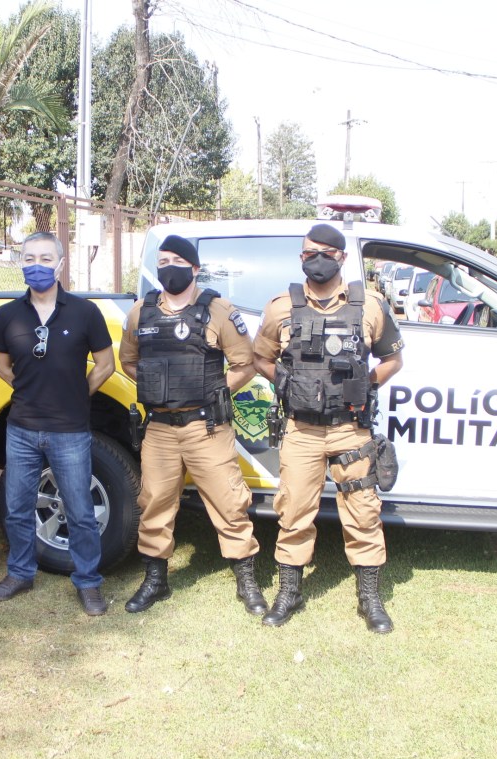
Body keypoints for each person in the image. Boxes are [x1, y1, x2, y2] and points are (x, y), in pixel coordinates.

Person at [253, 223, 405, 632]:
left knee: (362, 513)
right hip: (301, 431)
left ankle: (370, 600)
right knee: (294, 511)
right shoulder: (281, 307)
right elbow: (260, 357)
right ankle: (289, 594)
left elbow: (393, 360)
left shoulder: (369, 306)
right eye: (307, 252)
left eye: (324, 252)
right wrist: (285, 382)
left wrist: (365, 383)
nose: (315, 259)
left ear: (341, 257)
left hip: (350, 430)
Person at [117, 235, 266, 615]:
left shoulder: (217, 310)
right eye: (162, 260)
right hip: (161, 429)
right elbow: (128, 361)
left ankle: (247, 580)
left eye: (177, 261)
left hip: (207, 429)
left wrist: (216, 391)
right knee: (154, 504)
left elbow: (245, 363)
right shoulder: (141, 312)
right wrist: (155, 386)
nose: (169, 267)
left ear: (194, 268)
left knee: (229, 503)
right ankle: (155, 580)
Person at [0, 231, 115, 616]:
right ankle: (20, 573)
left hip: (70, 431)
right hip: (22, 429)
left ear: (60, 263)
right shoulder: (7, 315)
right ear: (20, 262)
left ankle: (89, 582)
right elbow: (2, 367)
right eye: (29, 258)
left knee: (79, 510)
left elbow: (106, 365)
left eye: (45, 258)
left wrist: (77, 394)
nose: (37, 265)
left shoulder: (84, 312)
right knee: (17, 507)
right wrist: (32, 392)